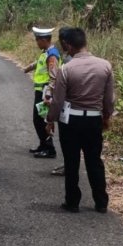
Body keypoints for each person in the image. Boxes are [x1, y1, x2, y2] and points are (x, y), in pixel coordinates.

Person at [46, 28, 114, 214]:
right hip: (93, 121)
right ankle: (101, 202)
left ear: (68, 45)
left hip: (71, 122)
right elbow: (109, 100)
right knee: (94, 161)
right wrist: (106, 117)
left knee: (72, 161)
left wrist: (50, 119)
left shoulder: (66, 69)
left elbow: (58, 101)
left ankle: (73, 202)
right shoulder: (105, 66)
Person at [24, 27, 61, 159]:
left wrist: (48, 95)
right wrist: (28, 68)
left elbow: (53, 77)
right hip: (40, 90)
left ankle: (49, 149)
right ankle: (43, 145)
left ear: (44, 40)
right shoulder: (46, 52)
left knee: (41, 120)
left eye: (38, 40)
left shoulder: (52, 55)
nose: (36, 43)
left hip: (45, 92)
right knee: (38, 119)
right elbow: (39, 63)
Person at [49, 27, 74, 176]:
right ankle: (67, 165)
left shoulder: (69, 62)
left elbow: (60, 93)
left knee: (69, 142)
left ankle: (69, 167)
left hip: (69, 108)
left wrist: (51, 117)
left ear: (65, 42)